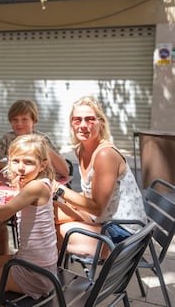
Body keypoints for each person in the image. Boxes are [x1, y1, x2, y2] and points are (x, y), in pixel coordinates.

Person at [53, 95, 147, 258]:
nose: (82, 125)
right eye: (77, 120)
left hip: (123, 234)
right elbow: (93, 196)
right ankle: (44, 272)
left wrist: (57, 188)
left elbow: (97, 206)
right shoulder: (80, 150)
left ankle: (39, 276)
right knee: (47, 212)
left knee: (51, 231)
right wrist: (70, 201)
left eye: (89, 119)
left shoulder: (105, 154)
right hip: (102, 220)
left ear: (100, 123)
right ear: (71, 124)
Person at [0, 134, 57, 307]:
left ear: (43, 165)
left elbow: (1, 214)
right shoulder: (40, 183)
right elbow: (22, 199)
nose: (21, 168)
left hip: (35, 273)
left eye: (28, 162)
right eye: (15, 161)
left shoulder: (36, 187)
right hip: (36, 264)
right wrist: (16, 190)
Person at [0, 99, 70, 256]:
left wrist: (43, 147)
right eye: (14, 119)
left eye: (24, 119)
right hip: (15, 191)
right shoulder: (8, 138)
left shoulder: (42, 140)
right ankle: (5, 257)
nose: (19, 124)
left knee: (0, 212)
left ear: (34, 121)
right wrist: (5, 165)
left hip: (39, 196)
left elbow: (65, 171)